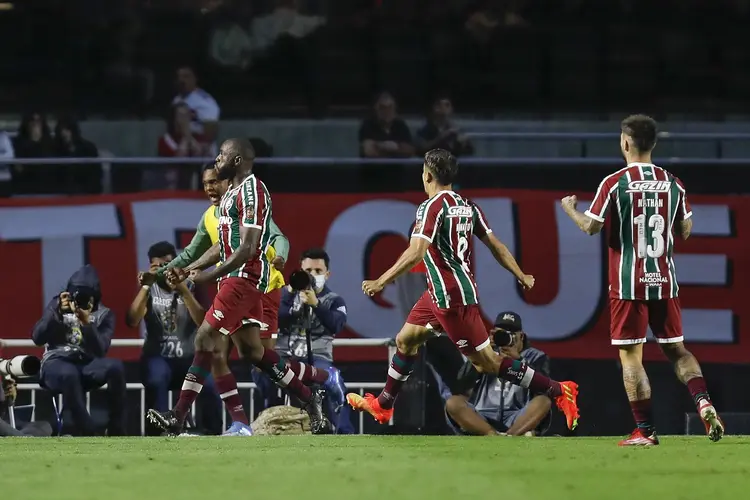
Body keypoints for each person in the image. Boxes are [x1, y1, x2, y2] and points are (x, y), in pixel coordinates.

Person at [346, 149, 580, 432]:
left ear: (428, 175)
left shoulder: (430, 207)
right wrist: (520, 273)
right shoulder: (468, 206)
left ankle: (559, 390)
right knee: (406, 340)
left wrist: (381, 281)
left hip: (451, 298)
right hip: (437, 293)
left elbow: (417, 251)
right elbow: (495, 245)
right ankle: (384, 404)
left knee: (489, 364)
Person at [146, 138, 330, 436]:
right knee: (252, 352)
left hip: (245, 277)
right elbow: (223, 246)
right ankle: (310, 397)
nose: (216, 159)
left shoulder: (253, 191)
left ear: (236, 160)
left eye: (221, 155)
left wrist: (205, 277)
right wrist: (192, 268)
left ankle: (178, 416)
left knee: (205, 339)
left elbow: (247, 247)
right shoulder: (230, 193)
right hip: (234, 277)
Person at [560, 114, 724, 446]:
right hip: (664, 280)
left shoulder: (614, 183)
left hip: (628, 284)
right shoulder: (672, 182)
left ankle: (646, 431)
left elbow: (591, 227)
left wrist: (569, 209)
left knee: (631, 358)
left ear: (624, 142)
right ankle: (703, 401)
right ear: (654, 144)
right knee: (678, 351)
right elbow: (685, 231)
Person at [127, 241, 222, 435]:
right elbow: (132, 320)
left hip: (188, 358)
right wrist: (146, 287)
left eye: (168, 265)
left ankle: (212, 432)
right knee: (157, 377)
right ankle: (160, 432)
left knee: (210, 383)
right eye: (158, 267)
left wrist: (183, 290)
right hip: (158, 358)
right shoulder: (149, 288)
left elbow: (203, 322)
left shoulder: (191, 286)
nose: (164, 271)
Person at [31, 265, 126, 436]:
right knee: (69, 373)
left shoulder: (105, 314)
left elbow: (100, 350)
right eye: (76, 294)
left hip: (86, 364)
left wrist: (87, 323)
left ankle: (116, 427)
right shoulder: (57, 304)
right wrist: (57, 313)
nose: (79, 300)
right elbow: (37, 338)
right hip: (55, 363)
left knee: (115, 367)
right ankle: (88, 431)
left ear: (95, 297)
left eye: (86, 296)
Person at [270, 247, 352, 433]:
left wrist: (316, 305)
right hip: (286, 355)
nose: (313, 275)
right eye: (308, 271)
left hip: (318, 357)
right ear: (300, 270)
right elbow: (275, 318)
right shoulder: (285, 294)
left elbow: (337, 325)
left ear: (327, 274)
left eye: (318, 271)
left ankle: (344, 432)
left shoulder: (334, 300)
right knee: (265, 373)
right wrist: (291, 294)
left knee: (332, 387)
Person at [440, 312, 552, 436]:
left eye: (511, 335)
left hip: (517, 415)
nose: (506, 339)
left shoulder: (536, 357)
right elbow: (459, 387)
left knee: (543, 401)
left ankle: (512, 435)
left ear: (521, 337)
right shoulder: (485, 353)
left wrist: (519, 362)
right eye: (501, 334)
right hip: (482, 416)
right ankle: (492, 435)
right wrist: (481, 356)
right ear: (493, 334)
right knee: (453, 402)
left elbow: (544, 388)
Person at [359, 92, 415, 159]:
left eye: (390, 107)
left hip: (396, 168)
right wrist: (383, 146)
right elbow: (368, 151)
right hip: (374, 168)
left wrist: (396, 147)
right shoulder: (367, 125)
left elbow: (410, 151)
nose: (387, 111)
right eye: (382, 108)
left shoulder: (400, 125)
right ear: (375, 109)